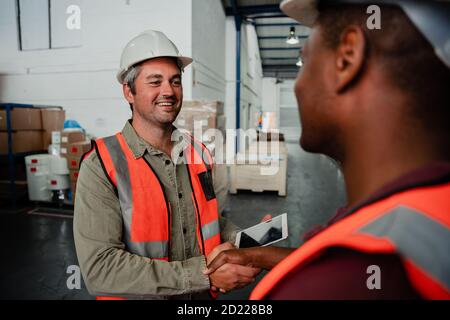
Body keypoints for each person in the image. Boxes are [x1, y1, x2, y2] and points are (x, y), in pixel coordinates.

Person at [205, 0, 450, 299]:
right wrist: (255, 255)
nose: (298, 85)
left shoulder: (321, 287)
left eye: (305, 60)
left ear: (347, 58)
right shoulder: (425, 207)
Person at [73, 30, 261, 299]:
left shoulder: (200, 153)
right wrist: (203, 273)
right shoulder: (101, 165)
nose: (168, 91)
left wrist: (248, 244)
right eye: (155, 81)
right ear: (129, 91)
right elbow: (100, 269)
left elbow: (208, 221)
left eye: (175, 81)